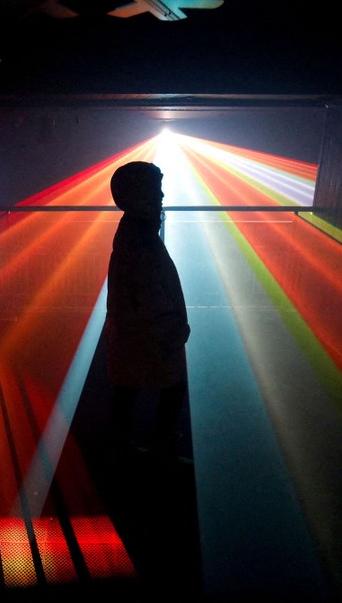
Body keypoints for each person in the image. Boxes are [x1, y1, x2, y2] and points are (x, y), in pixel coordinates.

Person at [104, 161, 191, 468]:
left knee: (127, 390)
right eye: (155, 189)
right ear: (138, 194)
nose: (161, 195)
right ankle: (159, 451)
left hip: (137, 333)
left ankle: (120, 449)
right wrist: (172, 326)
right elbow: (148, 289)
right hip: (151, 333)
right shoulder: (140, 239)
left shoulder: (132, 233)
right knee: (170, 390)